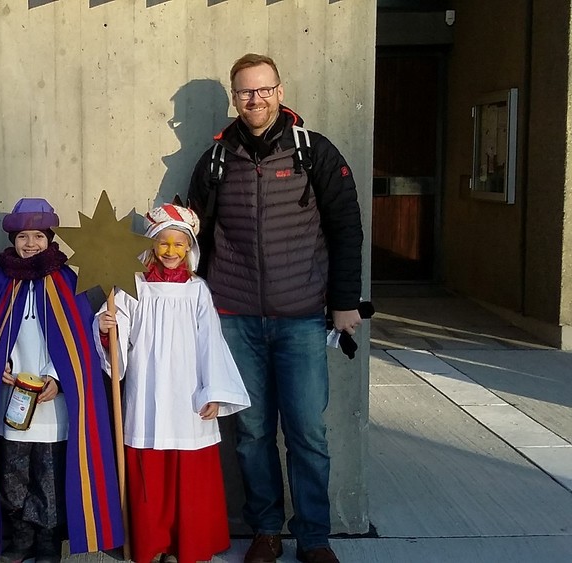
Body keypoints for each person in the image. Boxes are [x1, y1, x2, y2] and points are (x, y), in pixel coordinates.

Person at [186, 53, 364, 563]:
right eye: (246, 92)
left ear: (280, 92)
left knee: (307, 432)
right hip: (235, 319)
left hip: (302, 317)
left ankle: (313, 538)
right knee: (252, 433)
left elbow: (346, 229)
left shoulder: (315, 152)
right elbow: (195, 236)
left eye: (264, 89)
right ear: (234, 98)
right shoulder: (216, 160)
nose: (256, 99)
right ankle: (266, 531)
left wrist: (344, 303)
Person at [94, 203, 250, 563]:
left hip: (188, 392)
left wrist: (213, 391)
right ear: (151, 244)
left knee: (188, 470)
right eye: (163, 243)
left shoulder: (198, 290)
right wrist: (105, 328)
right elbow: (117, 326)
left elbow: (211, 342)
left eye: (179, 244)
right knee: (151, 468)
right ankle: (152, 541)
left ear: (189, 249)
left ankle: (187, 543)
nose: (170, 251)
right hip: (147, 389)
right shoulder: (133, 286)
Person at [0, 198, 124, 563]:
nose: (30, 244)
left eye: (38, 236)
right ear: (12, 240)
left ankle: (47, 544)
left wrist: (60, 379)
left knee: (49, 479)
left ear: (50, 239)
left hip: (54, 405)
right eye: (23, 237)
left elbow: (80, 342)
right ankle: (20, 540)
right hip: (10, 399)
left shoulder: (67, 280)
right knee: (12, 477)